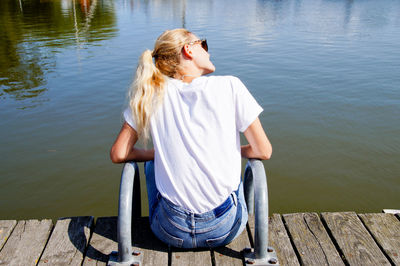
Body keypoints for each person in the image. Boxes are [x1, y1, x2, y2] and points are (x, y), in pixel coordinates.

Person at [110, 28, 272, 249]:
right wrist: (231, 150)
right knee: (236, 177)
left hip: (169, 230)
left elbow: (119, 153)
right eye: (203, 44)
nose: (208, 51)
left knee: (151, 164)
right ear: (189, 49)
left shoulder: (150, 93)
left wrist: (155, 155)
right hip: (224, 228)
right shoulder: (230, 86)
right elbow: (263, 151)